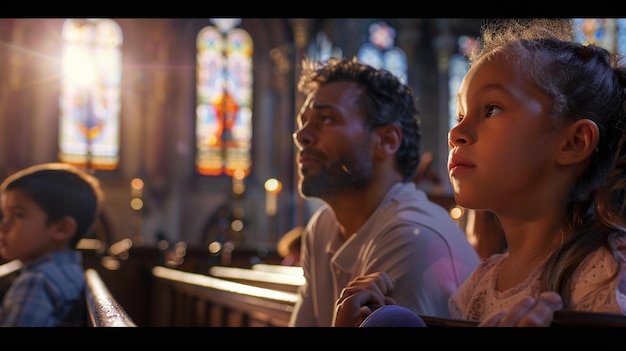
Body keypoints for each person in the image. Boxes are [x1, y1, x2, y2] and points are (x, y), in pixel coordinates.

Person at [334, 18, 626, 327]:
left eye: (491, 109)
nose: (456, 132)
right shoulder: (481, 283)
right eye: (460, 114)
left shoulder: (606, 272)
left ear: (573, 142)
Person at [289, 57, 481, 327]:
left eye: (327, 119)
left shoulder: (411, 238)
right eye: (303, 121)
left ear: (387, 140)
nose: (301, 135)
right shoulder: (321, 227)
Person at [0, 162, 103, 326]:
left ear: (62, 228)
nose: (3, 226)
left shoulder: (36, 282)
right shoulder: (70, 272)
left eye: (18, 215)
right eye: (4, 215)